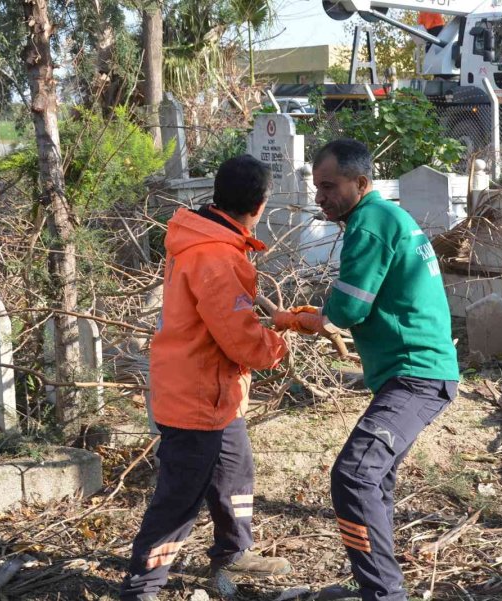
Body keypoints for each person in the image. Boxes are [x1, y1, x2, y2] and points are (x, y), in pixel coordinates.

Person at [286, 139, 460, 601]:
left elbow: (349, 307)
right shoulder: (387, 218)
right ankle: (377, 589)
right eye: (317, 186)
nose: (320, 196)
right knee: (374, 479)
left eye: (329, 186)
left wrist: (314, 318)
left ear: (361, 183)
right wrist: (320, 316)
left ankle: (384, 595)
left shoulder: (370, 223)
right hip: (417, 373)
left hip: (417, 375)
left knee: (354, 476)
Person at [121, 155, 297, 601]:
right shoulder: (216, 256)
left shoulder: (205, 242)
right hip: (197, 397)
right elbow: (239, 338)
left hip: (215, 393)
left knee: (234, 473)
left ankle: (233, 552)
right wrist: (277, 346)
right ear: (259, 206)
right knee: (179, 500)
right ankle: (142, 586)